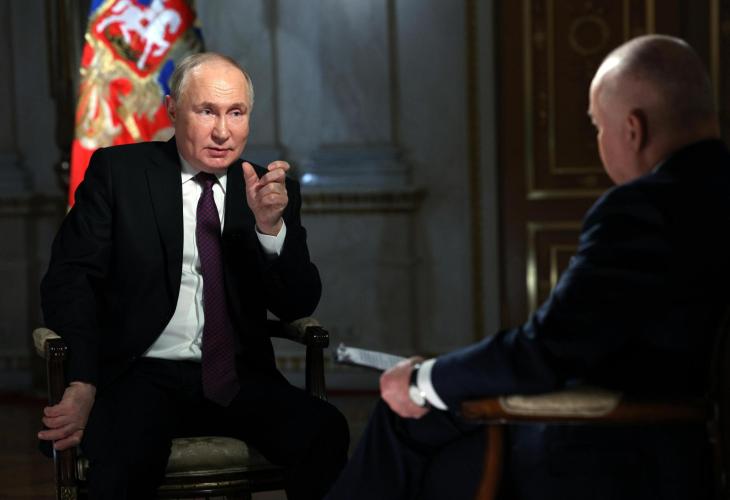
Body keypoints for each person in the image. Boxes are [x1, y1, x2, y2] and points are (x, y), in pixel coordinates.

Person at [326, 35, 730, 500]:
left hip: (617, 455)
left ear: (632, 129)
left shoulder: (643, 209)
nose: (600, 142)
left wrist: (421, 382)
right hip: (686, 445)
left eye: (598, 127)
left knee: (403, 420)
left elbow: (548, 352)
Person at [38, 52, 349, 499]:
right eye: (207, 111)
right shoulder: (119, 174)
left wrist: (270, 229)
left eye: (236, 113)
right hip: (141, 373)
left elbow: (296, 304)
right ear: (172, 109)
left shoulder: (268, 191)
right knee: (127, 458)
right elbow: (70, 281)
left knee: (324, 430)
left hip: (236, 378)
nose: (223, 131)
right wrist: (82, 381)